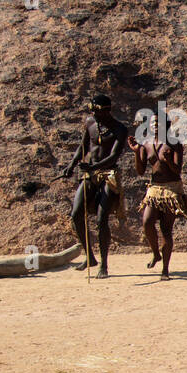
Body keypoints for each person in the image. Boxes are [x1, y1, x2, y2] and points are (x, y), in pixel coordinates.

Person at [62, 94, 128, 278]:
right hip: (89, 174)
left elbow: (114, 156)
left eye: (97, 112)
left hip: (108, 175)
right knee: (76, 214)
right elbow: (83, 146)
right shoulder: (90, 122)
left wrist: (93, 166)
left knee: (101, 220)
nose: (93, 114)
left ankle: (104, 265)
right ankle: (90, 256)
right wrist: (71, 165)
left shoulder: (119, 129)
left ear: (107, 111)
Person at [132, 113, 187, 280]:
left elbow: (177, 170)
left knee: (166, 230)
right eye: (153, 123)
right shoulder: (146, 144)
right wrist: (136, 152)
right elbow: (140, 171)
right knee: (147, 222)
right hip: (154, 189)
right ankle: (155, 253)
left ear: (166, 125)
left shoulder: (174, 144)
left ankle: (165, 269)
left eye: (159, 123)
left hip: (171, 189)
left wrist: (168, 161)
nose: (155, 126)